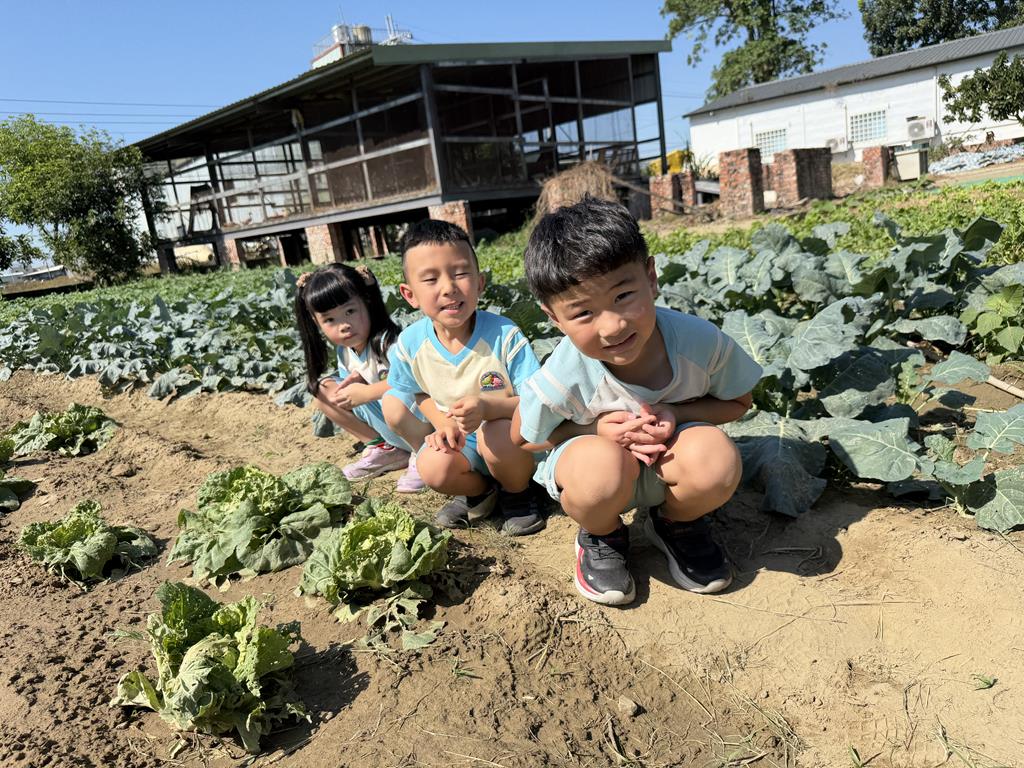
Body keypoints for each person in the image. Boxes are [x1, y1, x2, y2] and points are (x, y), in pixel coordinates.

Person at [512, 197, 763, 606]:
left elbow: (739, 401)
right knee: (598, 470)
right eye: (583, 313)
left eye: (623, 295)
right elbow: (523, 438)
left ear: (651, 277)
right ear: (554, 318)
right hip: (598, 478)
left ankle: (676, 523)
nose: (612, 326)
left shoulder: (699, 343)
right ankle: (603, 534)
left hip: (670, 467)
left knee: (716, 460)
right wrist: (594, 429)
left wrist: (677, 413)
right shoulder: (562, 375)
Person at [385, 219, 547, 535]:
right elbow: (419, 392)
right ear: (409, 294)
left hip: (512, 440)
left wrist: (487, 408)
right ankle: (481, 492)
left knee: (495, 434)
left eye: (460, 273)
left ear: (480, 282)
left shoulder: (504, 334)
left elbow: (535, 399)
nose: (449, 287)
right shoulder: (410, 343)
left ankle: (519, 492)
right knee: (432, 466)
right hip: (463, 441)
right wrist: (442, 424)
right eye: (430, 279)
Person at [294, 263, 432, 493]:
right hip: (393, 427)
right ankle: (385, 448)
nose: (344, 326)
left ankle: (422, 454)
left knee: (393, 401)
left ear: (367, 303)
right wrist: (356, 384)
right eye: (330, 320)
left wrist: (367, 392)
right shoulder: (345, 352)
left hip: (423, 429)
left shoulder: (389, 343)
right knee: (323, 391)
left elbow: (418, 382)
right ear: (316, 323)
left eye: (350, 312)